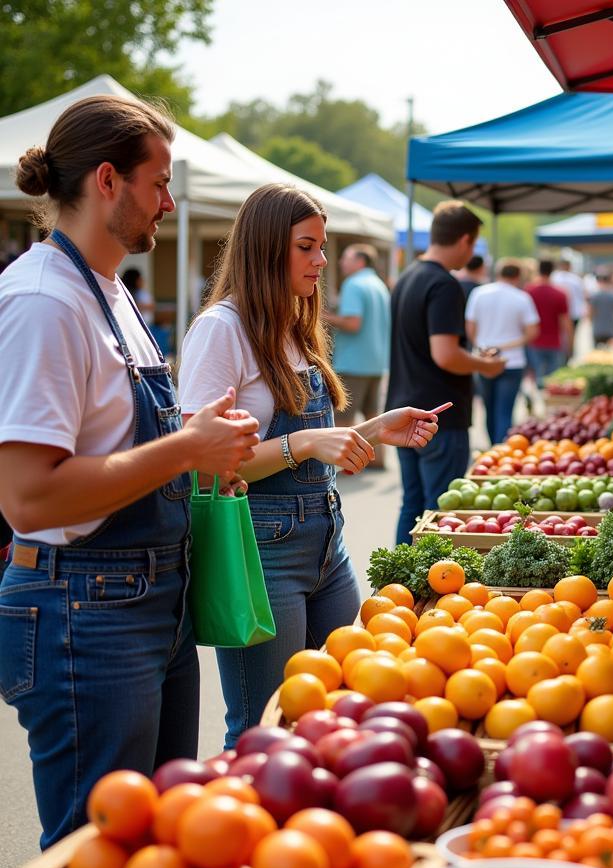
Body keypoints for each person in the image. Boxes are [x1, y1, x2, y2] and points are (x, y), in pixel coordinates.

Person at [0, 94, 260, 868]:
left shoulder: (109, 291)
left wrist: (198, 445)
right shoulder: (40, 301)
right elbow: (29, 498)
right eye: (158, 186)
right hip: (83, 613)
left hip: (146, 604)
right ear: (105, 181)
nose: (169, 207)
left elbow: (119, 448)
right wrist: (187, 449)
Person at [178, 185, 442, 745]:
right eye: (308, 247)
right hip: (262, 554)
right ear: (268, 248)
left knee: (338, 708)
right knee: (263, 730)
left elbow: (314, 443)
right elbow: (201, 465)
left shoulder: (293, 323)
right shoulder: (221, 329)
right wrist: (305, 444)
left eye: (323, 247)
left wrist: (372, 430)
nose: (322, 262)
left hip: (327, 546)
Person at [388, 201, 505, 544]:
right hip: (438, 415)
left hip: (403, 407)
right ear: (466, 240)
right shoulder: (444, 284)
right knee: (440, 511)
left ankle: (402, 583)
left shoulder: (408, 276)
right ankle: (428, 586)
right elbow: (445, 355)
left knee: (412, 503)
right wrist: (486, 365)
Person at [323, 243, 391, 469]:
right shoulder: (379, 284)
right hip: (376, 361)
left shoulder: (353, 284)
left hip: (353, 361)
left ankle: (344, 464)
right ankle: (377, 460)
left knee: (343, 417)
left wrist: (323, 317)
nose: (341, 262)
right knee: (373, 416)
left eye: (346, 257)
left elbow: (353, 323)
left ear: (360, 261)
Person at [465, 259, 539, 444]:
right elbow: (532, 331)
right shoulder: (522, 297)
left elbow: (470, 328)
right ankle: (501, 449)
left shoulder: (479, 293)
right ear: (517, 276)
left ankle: (493, 447)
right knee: (505, 410)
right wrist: (511, 344)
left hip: (484, 360)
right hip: (512, 361)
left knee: (488, 409)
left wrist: (482, 346)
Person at [525, 258, 571, 385]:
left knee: (536, 377)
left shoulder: (528, 291)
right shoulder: (560, 293)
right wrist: (570, 343)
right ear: (552, 271)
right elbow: (565, 321)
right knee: (553, 380)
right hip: (554, 341)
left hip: (533, 341)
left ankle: (537, 399)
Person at [552, 258, 586, 344]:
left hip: (560, 312)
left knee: (561, 335)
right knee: (571, 334)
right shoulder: (575, 279)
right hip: (573, 312)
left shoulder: (554, 277)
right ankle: (569, 352)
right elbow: (582, 295)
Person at [588, 273, 613, 346]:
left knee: (598, 353)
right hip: (611, 328)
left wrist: (592, 322)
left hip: (598, 328)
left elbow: (590, 312)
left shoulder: (595, 296)